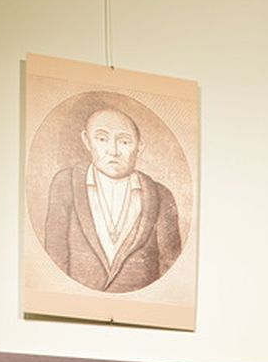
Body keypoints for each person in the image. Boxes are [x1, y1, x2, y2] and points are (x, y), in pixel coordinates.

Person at [43, 106, 182, 292]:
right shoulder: (65, 183)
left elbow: (170, 267)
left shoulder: (161, 196)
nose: (113, 151)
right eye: (102, 139)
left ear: (139, 147)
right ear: (87, 140)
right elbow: (55, 255)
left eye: (124, 142)